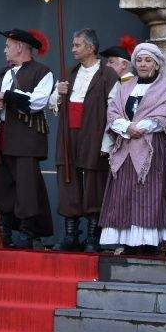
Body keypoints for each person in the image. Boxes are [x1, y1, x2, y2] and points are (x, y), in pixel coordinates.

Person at [99, 42, 166, 256]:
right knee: (125, 193)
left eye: (148, 60)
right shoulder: (125, 87)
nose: (143, 64)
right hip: (127, 146)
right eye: (139, 60)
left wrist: (142, 127)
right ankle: (129, 242)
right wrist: (127, 127)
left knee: (151, 194)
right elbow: (113, 112)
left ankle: (150, 243)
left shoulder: (165, 87)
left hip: (154, 150)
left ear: (156, 64)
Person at [0, 28, 56, 248]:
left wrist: (7, 96)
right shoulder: (0, 74)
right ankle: (3, 231)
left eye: (8, 46)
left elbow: (37, 102)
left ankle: (26, 232)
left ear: (20, 47)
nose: (5, 50)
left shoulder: (42, 72)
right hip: (1, 136)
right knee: (2, 185)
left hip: (25, 139)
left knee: (27, 186)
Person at [51, 28, 120, 252]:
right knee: (68, 179)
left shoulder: (107, 74)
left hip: (94, 133)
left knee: (94, 182)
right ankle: (71, 235)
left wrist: (108, 141)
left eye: (77, 45)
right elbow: (53, 105)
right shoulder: (69, 72)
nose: (73, 49)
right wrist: (58, 92)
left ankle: (92, 237)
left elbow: (115, 110)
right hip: (69, 133)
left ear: (90, 48)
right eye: (72, 45)